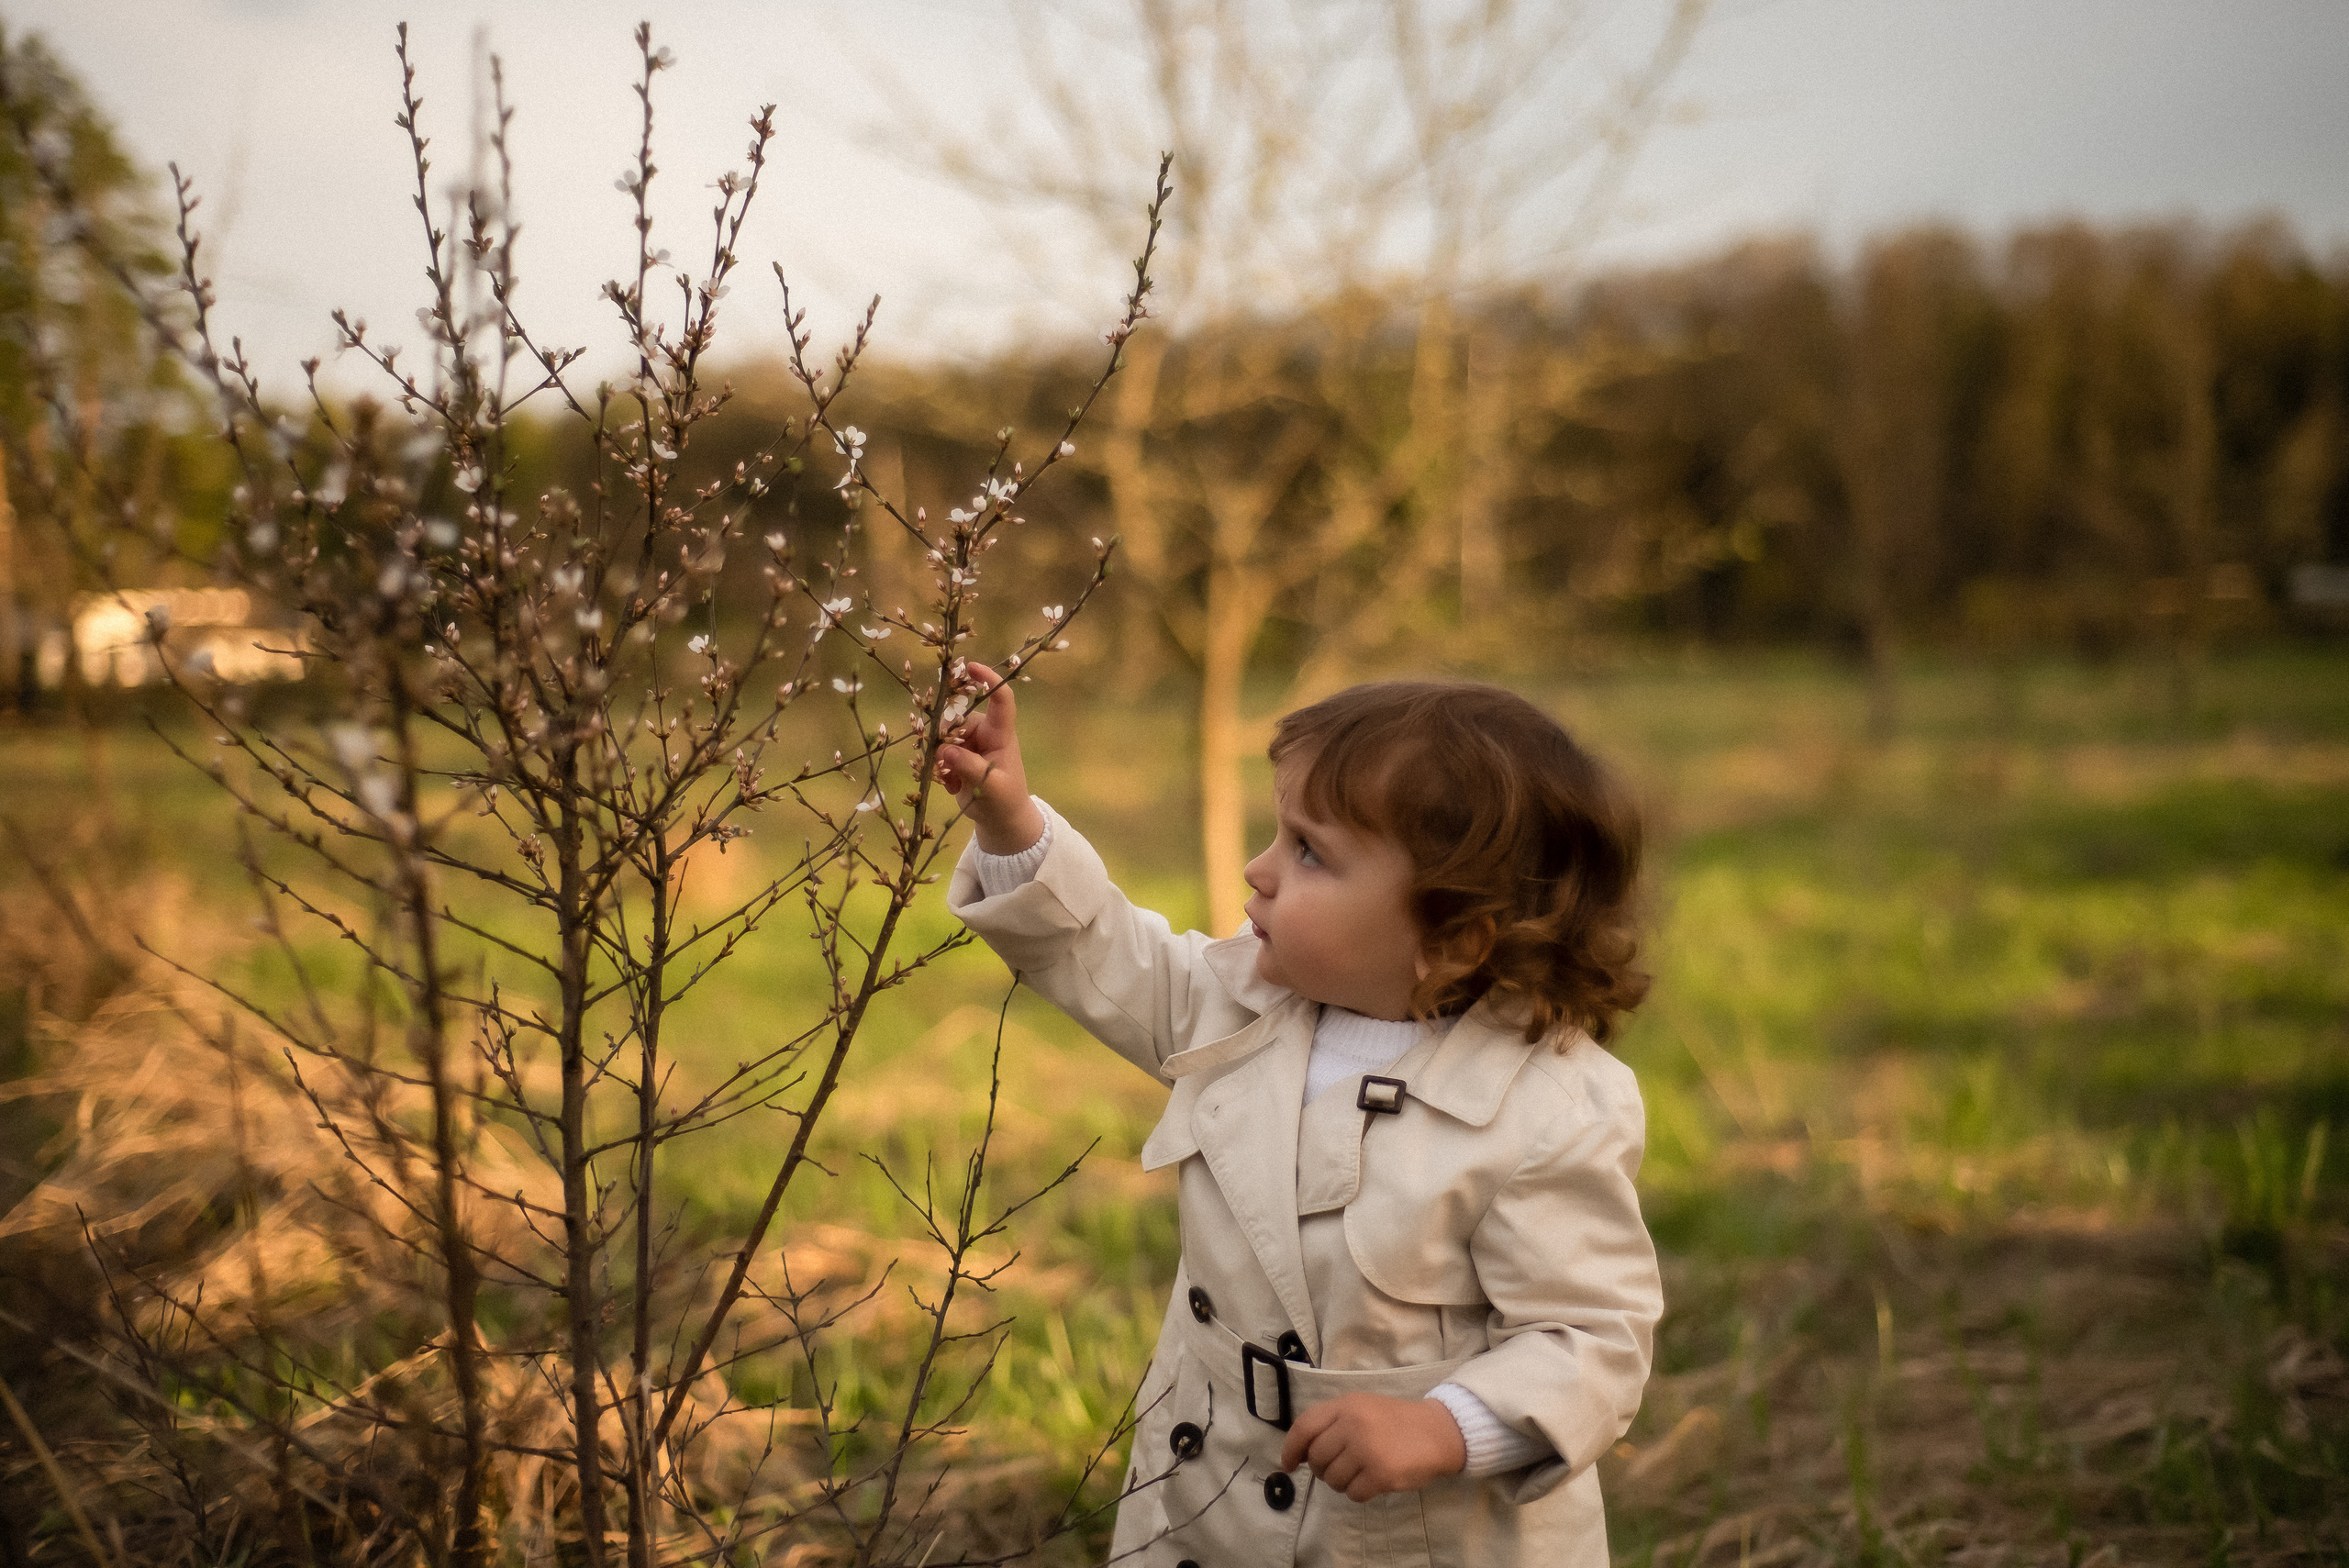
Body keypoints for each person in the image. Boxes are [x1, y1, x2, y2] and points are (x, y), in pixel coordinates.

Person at [939, 670, 1662, 1568]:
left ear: (1451, 937)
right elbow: (1098, 947)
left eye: (1310, 851)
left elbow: (1589, 1336)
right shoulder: (1240, 1006)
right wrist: (1010, 821)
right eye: (1278, 833)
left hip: (1411, 1534)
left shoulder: (1539, 1108)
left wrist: (1446, 1425)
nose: (1259, 868)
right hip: (1209, 1489)